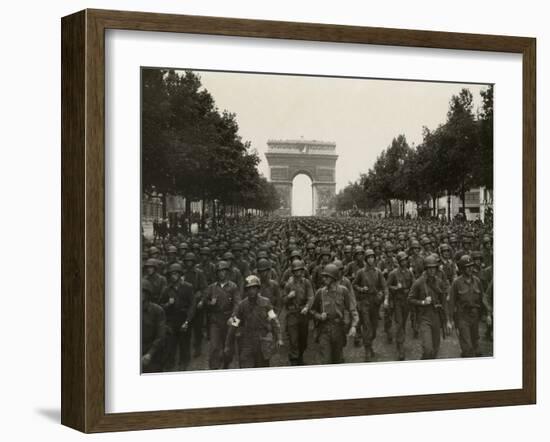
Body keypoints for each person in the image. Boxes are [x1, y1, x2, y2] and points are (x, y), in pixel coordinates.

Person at [226, 275, 283, 368]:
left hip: (262, 340)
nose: (252, 291)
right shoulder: (242, 305)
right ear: (246, 290)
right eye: (249, 289)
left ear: (258, 289)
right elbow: (234, 325)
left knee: (262, 367)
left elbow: (274, 320)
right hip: (247, 341)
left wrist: (279, 337)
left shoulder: (266, 302)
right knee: (245, 366)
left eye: (254, 288)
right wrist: (228, 343)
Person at [309, 264, 359, 364]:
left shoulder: (343, 291)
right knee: (326, 360)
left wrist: (353, 326)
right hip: (324, 329)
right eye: (323, 276)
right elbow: (312, 310)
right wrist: (319, 316)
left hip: (339, 329)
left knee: (338, 359)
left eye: (326, 277)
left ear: (333, 277)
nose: (324, 279)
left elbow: (352, 310)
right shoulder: (320, 292)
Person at [200, 260, 241, 369]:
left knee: (228, 346)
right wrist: (210, 303)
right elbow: (204, 302)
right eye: (219, 271)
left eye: (223, 271)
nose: (221, 273)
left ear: (227, 272)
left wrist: (233, 316)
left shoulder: (233, 286)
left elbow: (237, 304)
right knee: (214, 346)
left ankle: (226, 364)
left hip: (228, 318)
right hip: (215, 320)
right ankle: (214, 368)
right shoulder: (212, 287)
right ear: (216, 273)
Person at [407, 255, 448, 360]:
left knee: (435, 348)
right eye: (429, 268)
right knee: (427, 348)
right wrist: (423, 302)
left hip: (436, 316)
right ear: (426, 269)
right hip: (424, 317)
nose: (432, 270)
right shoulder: (419, 282)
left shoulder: (439, 281)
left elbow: (444, 302)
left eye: (433, 268)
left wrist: (446, 320)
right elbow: (410, 299)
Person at [352, 248, 388, 361]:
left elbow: (384, 286)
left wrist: (385, 297)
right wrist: (361, 289)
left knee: (374, 329)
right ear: (366, 259)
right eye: (369, 258)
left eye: (373, 257)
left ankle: (369, 344)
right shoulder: (361, 272)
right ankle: (367, 349)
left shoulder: (378, 272)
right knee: (367, 326)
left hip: (375, 303)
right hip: (364, 302)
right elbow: (354, 285)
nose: (371, 259)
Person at [158, 263, 195, 371]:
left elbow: (192, 305)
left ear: (179, 274)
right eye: (171, 274)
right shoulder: (166, 289)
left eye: (175, 273)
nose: (173, 276)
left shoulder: (188, 287)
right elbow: (159, 306)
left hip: (184, 318)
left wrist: (187, 321)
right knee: (171, 345)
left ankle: (184, 365)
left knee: (184, 345)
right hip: (171, 320)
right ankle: (170, 365)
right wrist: (168, 304)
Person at [448, 255, 484, 357]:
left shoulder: (477, 281)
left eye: (471, 266)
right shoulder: (456, 283)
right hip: (462, 316)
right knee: (467, 345)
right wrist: (450, 320)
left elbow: (482, 298)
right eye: (467, 267)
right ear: (462, 269)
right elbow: (451, 302)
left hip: (474, 315)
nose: (470, 269)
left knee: (475, 341)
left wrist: (486, 314)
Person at [283, 259, 314, 365]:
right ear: (293, 271)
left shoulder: (306, 282)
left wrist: (306, 307)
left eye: (300, 270)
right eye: (296, 271)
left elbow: (311, 297)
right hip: (292, 314)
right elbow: (282, 301)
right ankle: (294, 360)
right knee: (293, 339)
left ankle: (299, 356)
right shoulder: (288, 284)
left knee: (303, 340)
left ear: (302, 271)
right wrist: (288, 297)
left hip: (303, 314)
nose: (298, 273)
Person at [387, 251, 414, 360]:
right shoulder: (393, 273)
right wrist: (396, 288)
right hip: (397, 301)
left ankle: (400, 339)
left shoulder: (409, 272)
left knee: (403, 323)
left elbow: (414, 285)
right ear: (398, 262)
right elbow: (387, 286)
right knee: (399, 322)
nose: (404, 262)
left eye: (405, 260)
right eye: (402, 260)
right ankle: (400, 345)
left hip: (406, 301)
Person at [141, 279, 166, 373]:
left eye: (141, 292)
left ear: (147, 294)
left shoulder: (157, 310)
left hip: (153, 352)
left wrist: (150, 354)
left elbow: (161, 336)